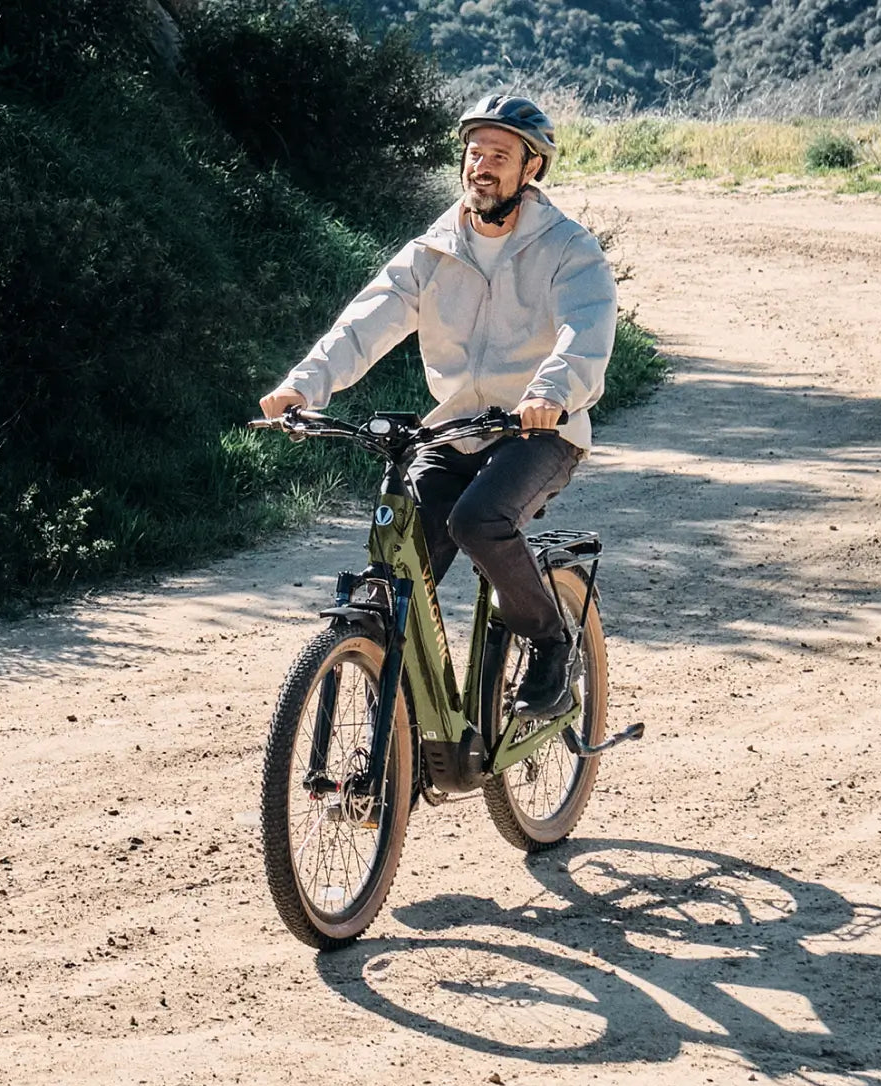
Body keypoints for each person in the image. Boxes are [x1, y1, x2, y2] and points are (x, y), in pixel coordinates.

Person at [259, 94, 618, 717]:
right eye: (474, 152)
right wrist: (303, 385)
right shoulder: (434, 248)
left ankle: (552, 641)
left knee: (478, 521)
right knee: (396, 560)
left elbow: (585, 331)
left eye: (499, 156)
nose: (481, 166)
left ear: (531, 169)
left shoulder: (568, 249)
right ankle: (395, 706)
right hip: (454, 429)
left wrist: (551, 393)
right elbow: (363, 324)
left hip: (540, 430)